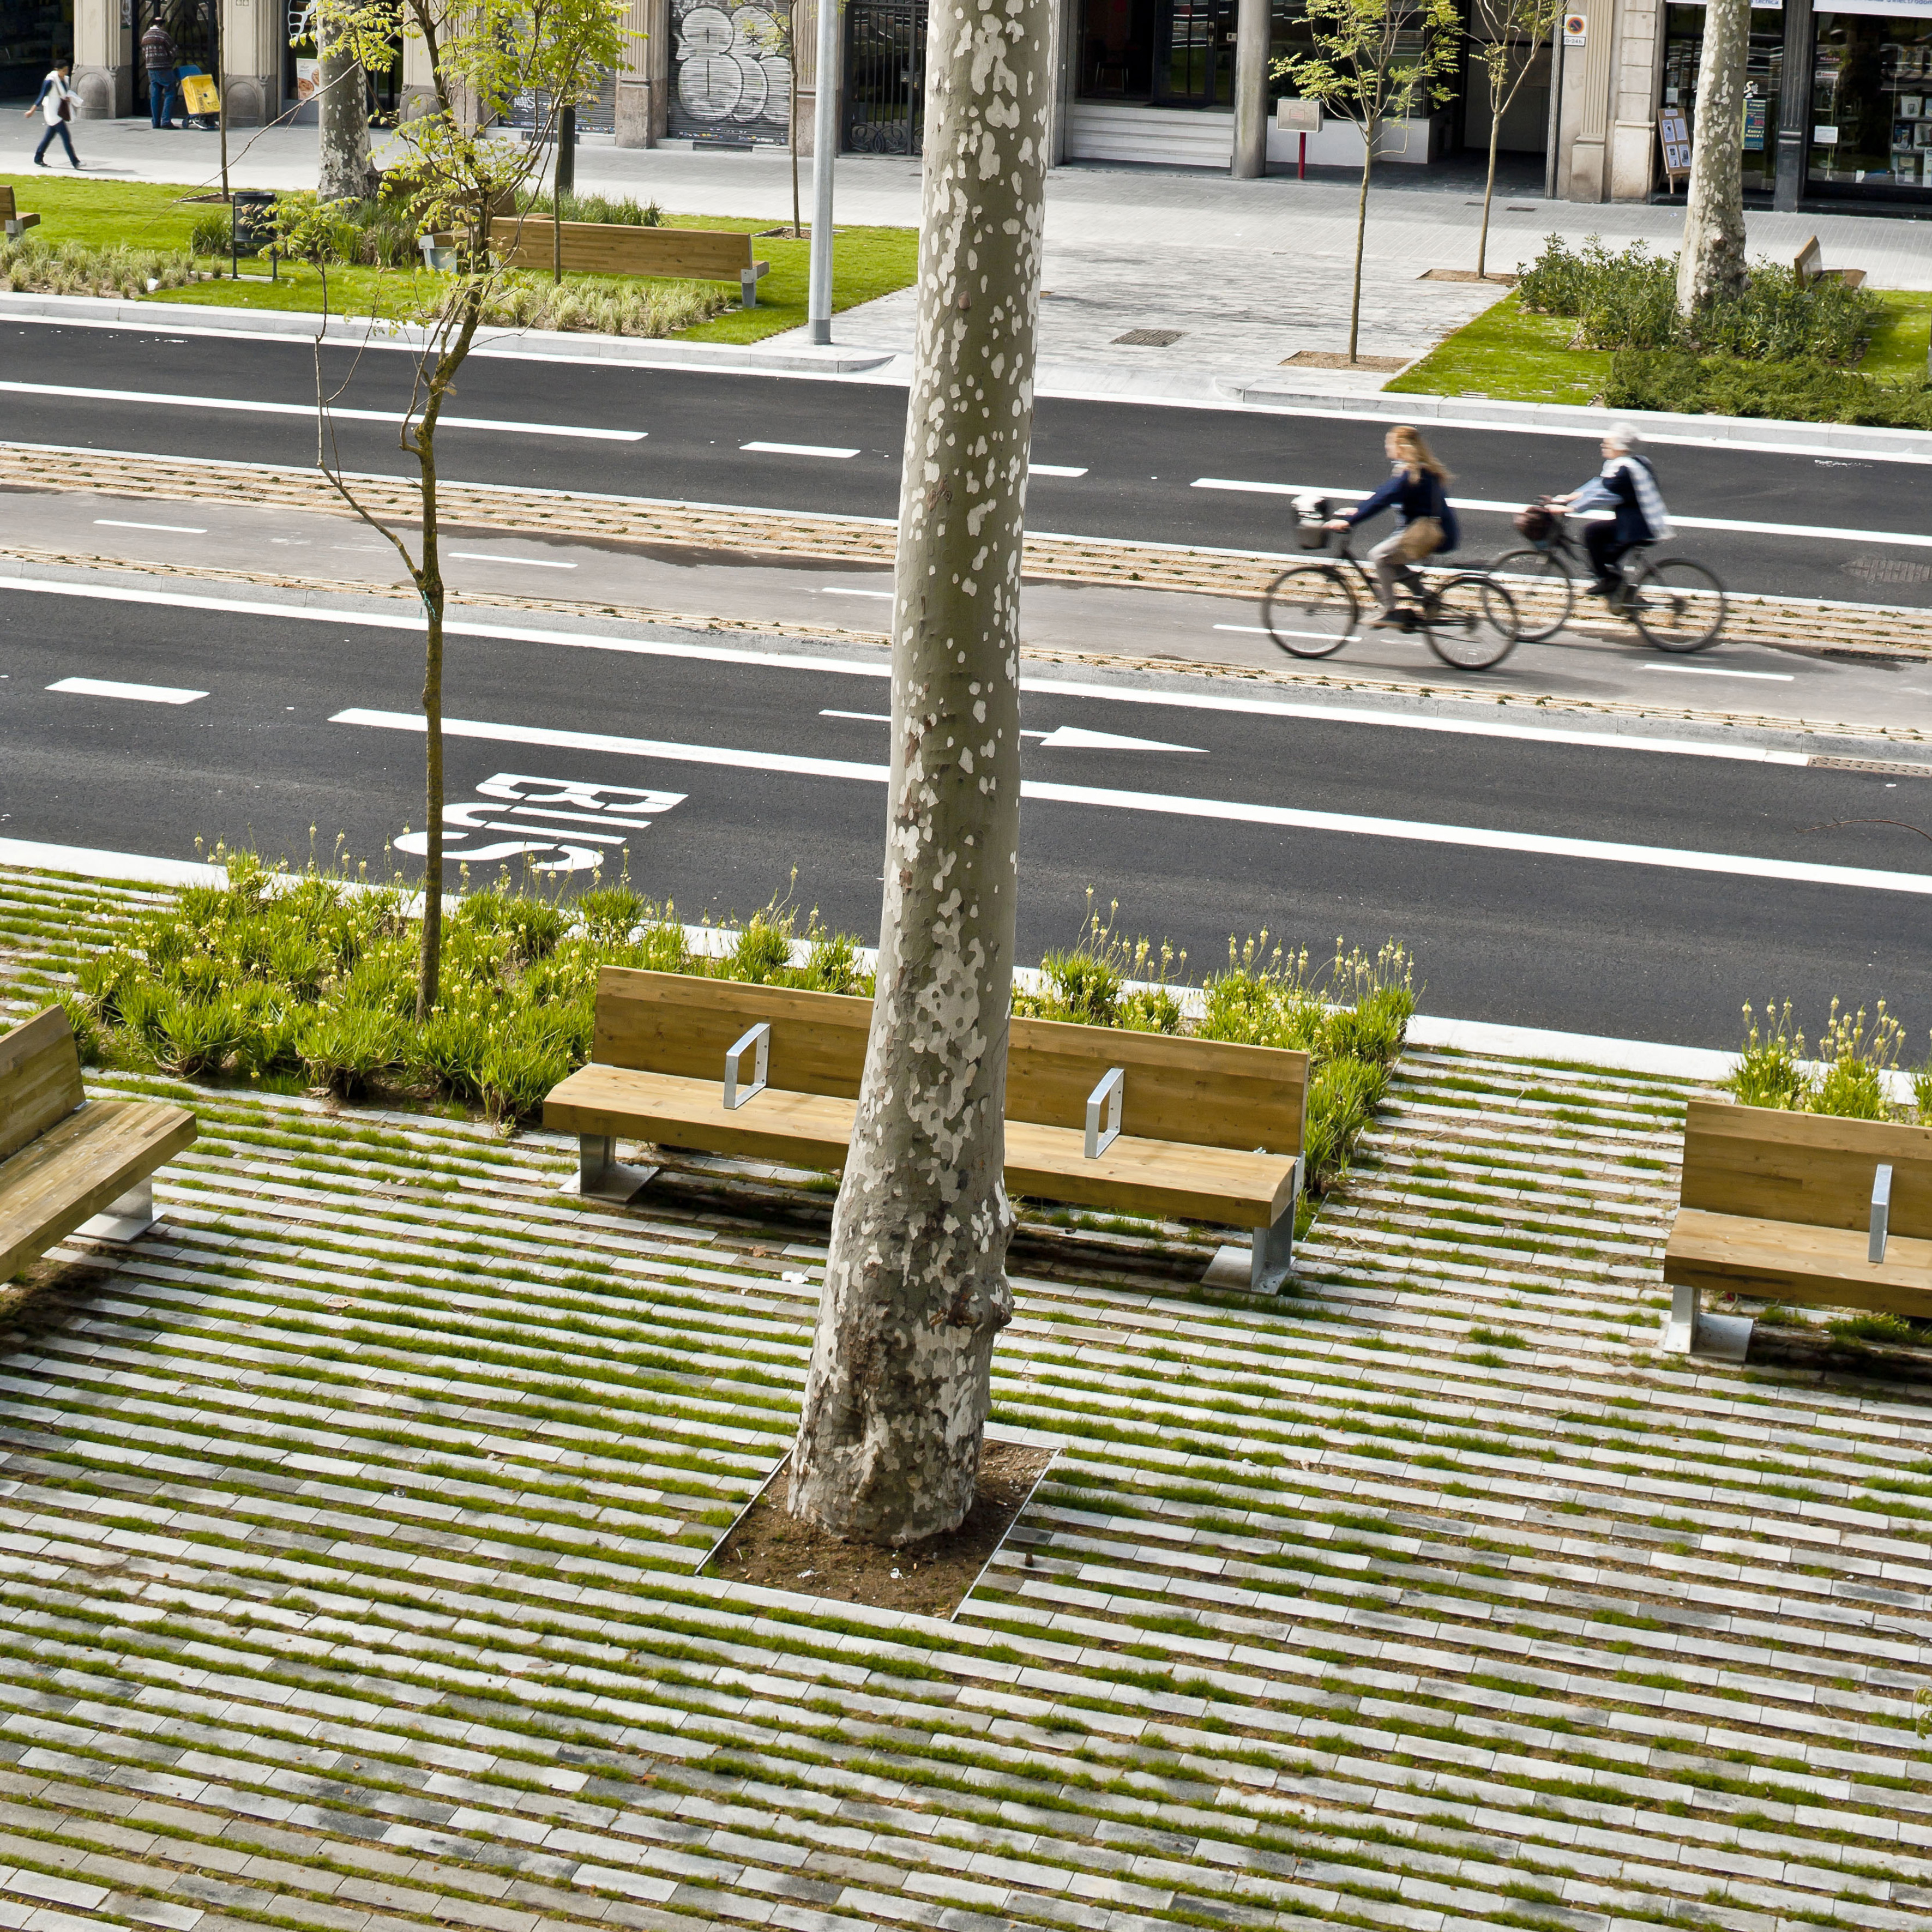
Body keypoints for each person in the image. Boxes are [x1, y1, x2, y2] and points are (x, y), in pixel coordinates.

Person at [1326, 425, 1460, 629]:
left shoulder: (1412, 474)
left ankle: (1390, 611)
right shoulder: (1417, 469)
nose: (1387, 447)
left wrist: (1350, 521)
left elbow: (1384, 499)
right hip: (1429, 530)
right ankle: (1427, 599)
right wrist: (1356, 511)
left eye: (1389, 443)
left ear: (1401, 447)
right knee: (1391, 559)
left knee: (1378, 555)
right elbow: (1382, 495)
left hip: (1428, 534)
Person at [1552, 424, 1672, 604]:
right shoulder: (1631, 462)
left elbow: (1602, 495)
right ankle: (1620, 593)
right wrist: (1569, 498)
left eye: (1608, 444)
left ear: (1621, 448)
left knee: (1593, 535)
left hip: (1638, 528)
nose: (1603, 446)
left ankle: (1613, 585)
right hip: (1636, 522)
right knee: (1601, 546)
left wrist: (1571, 508)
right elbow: (1599, 485)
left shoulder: (1625, 470)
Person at [24, 57, 81, 168]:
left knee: (49, 136)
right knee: (66, 137)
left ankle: (38, 157)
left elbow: (64, 94)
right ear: (57, 69)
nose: (65, 73)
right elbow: (41, 96)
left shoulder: (64, 80)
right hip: (52, 113)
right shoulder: (50, 81)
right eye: (63, 71)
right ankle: (75, 162)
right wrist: (32, 110)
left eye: (66, 70)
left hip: (58, 111)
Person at [140, 19, 181, 129]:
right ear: (161, 25)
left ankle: (155, 123)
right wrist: (170, 60)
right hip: (164, 68)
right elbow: (174, 51)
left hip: (151, 69)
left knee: (155, 96)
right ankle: (166, 121)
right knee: (170, 93)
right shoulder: (163, 35)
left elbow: (144, 53)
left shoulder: (145, 37)